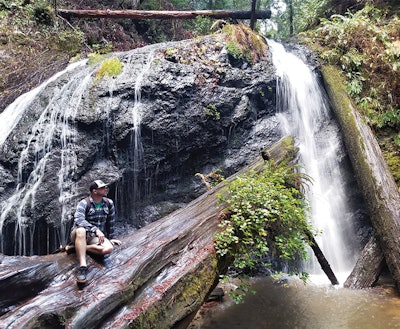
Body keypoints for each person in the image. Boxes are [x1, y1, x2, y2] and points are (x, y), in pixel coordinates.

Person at [68, 179, 122, 284]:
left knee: (108, 248)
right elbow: (78, 220)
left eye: (105, 187)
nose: (105, 189)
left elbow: (110, 221)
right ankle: (83, 267)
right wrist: (95, 229)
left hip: (94, 237)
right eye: (102, 188)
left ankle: (77, 248)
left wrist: (111, 237)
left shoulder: (108, 203)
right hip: (79, 235)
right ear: (94, 191)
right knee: (81, 230)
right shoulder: (84, 203)